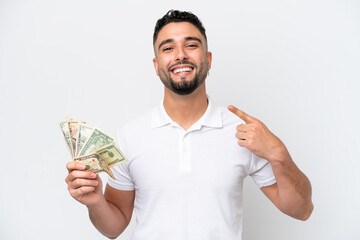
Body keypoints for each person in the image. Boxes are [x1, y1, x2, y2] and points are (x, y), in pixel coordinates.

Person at [65, 10, 313, 240]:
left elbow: (301, 211)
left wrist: (280, 155)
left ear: (208, 59)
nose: (180, 54)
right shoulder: (129, 135)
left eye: (191, 45)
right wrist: (95, 201)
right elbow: (114, 227)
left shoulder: (244, 133)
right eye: (168, 47)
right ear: (156, 65)